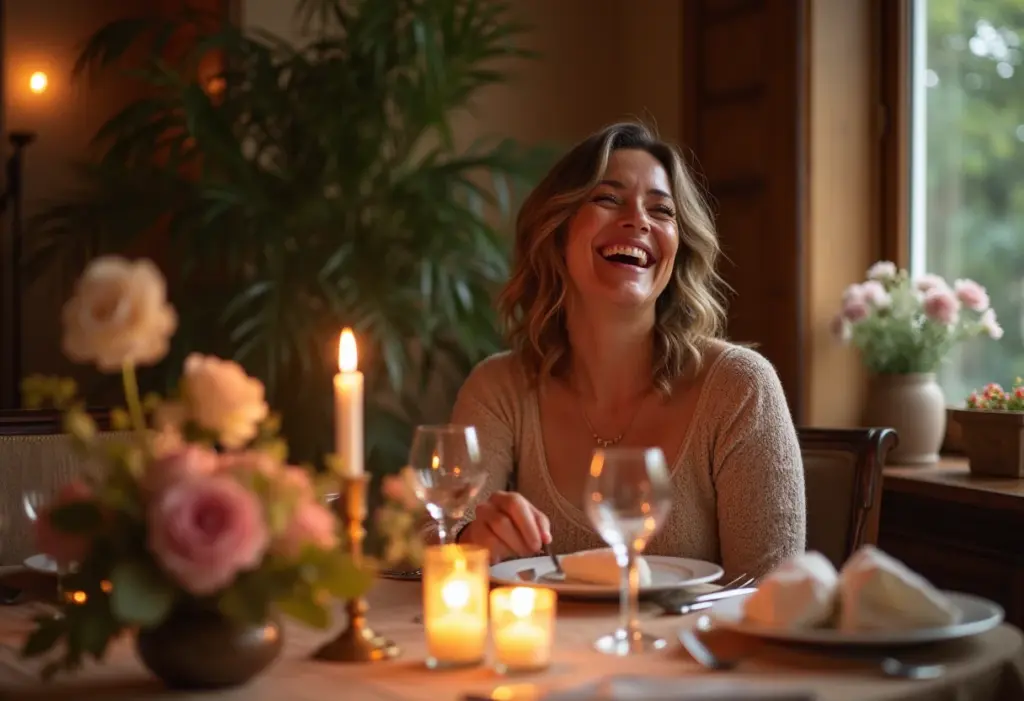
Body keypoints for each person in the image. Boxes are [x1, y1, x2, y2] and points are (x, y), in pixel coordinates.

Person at [448, 122, 805, 579]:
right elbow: (433, 541)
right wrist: (468, 542)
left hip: (688, 652)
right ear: (556, 232)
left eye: (662, 210)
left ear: (678, 247)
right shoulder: (498, 388)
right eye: (608, 198)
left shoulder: (740, 387)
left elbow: (773, 595)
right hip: (537, 652)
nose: (638, 220)